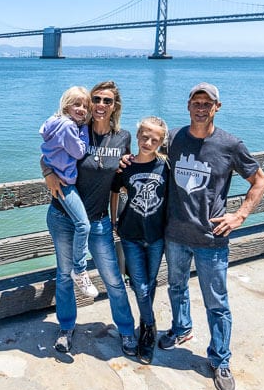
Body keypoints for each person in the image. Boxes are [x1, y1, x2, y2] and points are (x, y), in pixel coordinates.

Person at [159, 82, 264, 390]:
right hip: (175, 234)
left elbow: (260, 181)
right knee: (176, 287)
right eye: (196, 101)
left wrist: (239, 216)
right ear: (188, 105)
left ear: (217, 107)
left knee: (217, 303)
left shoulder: (231, 145)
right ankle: (181, 329)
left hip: (212, 238)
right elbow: (148, 150)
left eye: (208, 103)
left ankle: (220, 360)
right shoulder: (175, 138)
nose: (201, 107)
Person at [42, 80, 138, 357]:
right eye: (96, 99)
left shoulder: (122, 138)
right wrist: (47, 173)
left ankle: (127, 330)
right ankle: (66, 327)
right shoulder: (76, 128)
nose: (100, 105)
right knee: (63, 275)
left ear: (114, 106)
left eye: (107, 101)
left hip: (97, 221)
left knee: (113, 279)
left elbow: (122, 178)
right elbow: (47, 154)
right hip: (62, 217)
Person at [110, 116, 169, 365]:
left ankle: (145, 322)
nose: (148, 142)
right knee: (140, 286)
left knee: (151, 282)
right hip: (131, 235)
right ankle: (149, 328)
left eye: (154, 139)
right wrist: (114, 221)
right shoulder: (125, 167)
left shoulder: (166, 167)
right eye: (144, 137)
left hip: (157, 236)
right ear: (137, 137)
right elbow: (114, 191)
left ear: (161, 142)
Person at [40, 86, 98, 298]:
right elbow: (79, 151)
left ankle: (78, 271)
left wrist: (48, 169)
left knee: (81, 226)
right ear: (66, 105)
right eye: (77, 104)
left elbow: (46, 153)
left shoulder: (54, 123)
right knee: (83, 225)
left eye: (85, 106)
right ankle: (80, 270)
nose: (82, 109)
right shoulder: (69, 128)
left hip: (62, 182)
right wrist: (83, 130)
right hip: (65, 185)